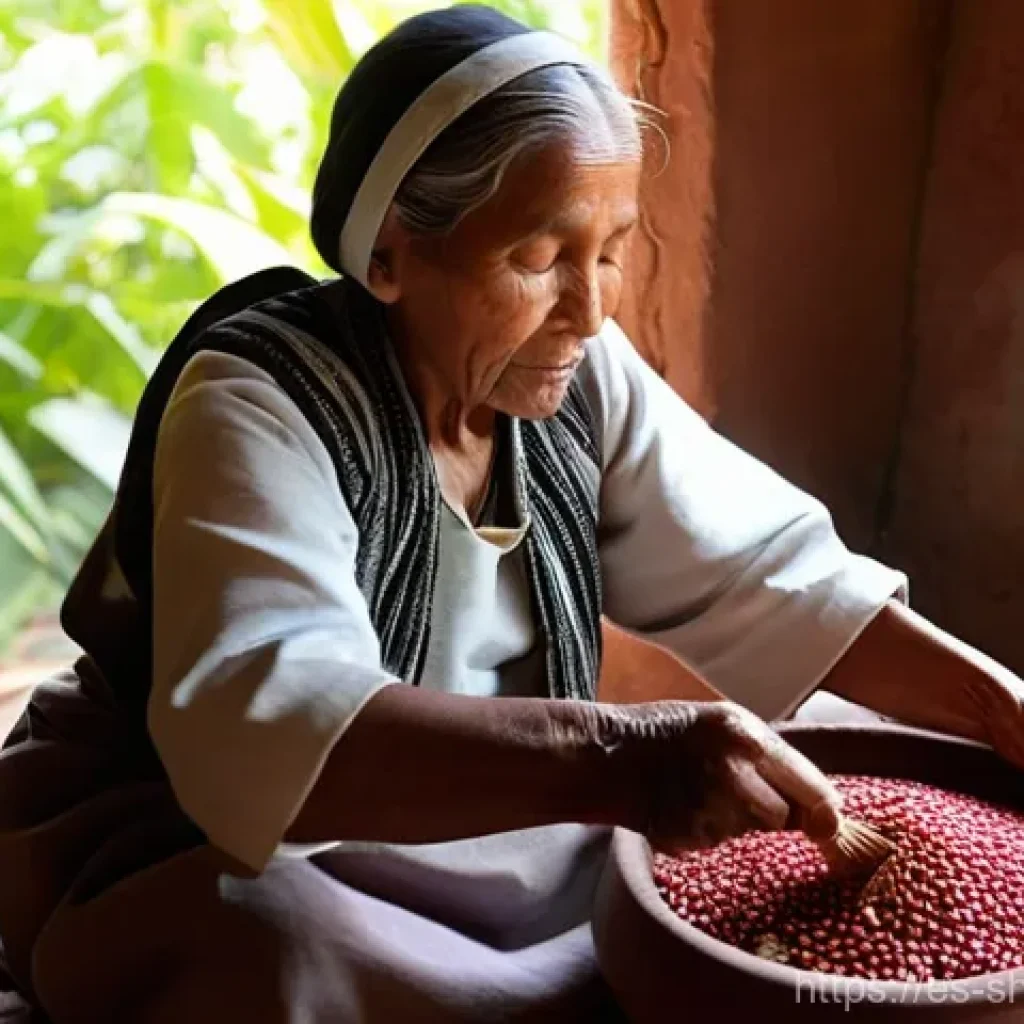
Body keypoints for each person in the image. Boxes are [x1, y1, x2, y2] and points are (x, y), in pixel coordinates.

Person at [0, 6, 1021, 1021]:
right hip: (224, 825)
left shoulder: (573, 377)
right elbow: (273, 733)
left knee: (769, 800)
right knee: (278, 949)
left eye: (613, 249)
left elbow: (767, 574)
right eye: (538, 259)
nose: (590, 307)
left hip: (490, 816)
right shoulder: (260, 404)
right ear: (390, 255)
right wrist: (621, 757)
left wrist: (997, 708)